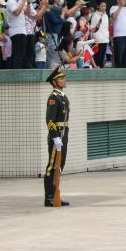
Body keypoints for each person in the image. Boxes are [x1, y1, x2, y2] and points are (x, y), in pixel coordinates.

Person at [43, 67, 70, 207]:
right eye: (61, 78)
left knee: (59, 166)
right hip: (57, 135)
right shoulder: (53, 98)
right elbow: (49, 120)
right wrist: (55, 137)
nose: (64, 80)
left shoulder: (63, 96)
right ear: (54, 82)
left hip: (63, 133)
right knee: (52, 166)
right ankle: (49, 197)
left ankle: (55, 193)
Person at [6, 0, 31, 69]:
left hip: (22, 30)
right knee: (19, 55)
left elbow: (27, 13)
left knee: (18, 53)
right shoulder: (10, 1)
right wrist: (23, 1)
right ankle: (17, 73)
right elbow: (16, 13)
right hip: (16, 31)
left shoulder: (18, 1)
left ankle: (13, 72)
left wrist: (28, 3)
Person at [109, 0, 126, 68]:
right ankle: (118, 71)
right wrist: (120, 6)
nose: (124, 0)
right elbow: (113, 16)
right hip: (118, 35)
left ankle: (125, 72)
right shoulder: (113, 7)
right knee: (119, 55)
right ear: (117, 0)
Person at [88, 0, 110, 68]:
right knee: (97, 56)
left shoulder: (106, 15)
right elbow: (92, 27)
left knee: (102, 56)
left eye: (105, 6)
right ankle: (97, 69)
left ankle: (101, 69)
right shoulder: (95, 15)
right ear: (98, 6)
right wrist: (98, 25)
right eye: (102, 6)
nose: (104, 7)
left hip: (105, 38)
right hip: (97, 39)